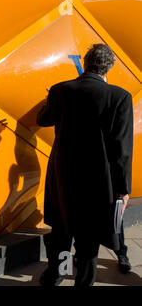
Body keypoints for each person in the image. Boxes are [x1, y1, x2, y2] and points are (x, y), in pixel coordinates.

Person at [37, 43, 133, 286]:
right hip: (97, 179)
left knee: (61, 230)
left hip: (62, 175)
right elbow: (122, 150)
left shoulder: (60, 90)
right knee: (88, 238)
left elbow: (43, 119)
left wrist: (49, 100)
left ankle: (56, 275)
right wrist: (123, 189)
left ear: (86, 62)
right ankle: (83, 282)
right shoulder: (119, 97)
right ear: (108, 67)